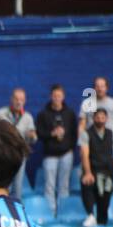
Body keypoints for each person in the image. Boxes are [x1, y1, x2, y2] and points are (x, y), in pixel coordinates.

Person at [80, 107, 113, 227]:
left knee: (104, 201)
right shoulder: (86, 133)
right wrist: (87, 172)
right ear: (93, 118)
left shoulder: (111, 133)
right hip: (93, 169)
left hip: (108, 171)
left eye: (103, 117)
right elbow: (84, 154)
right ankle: (90, 215)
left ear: (107, 119)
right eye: (97, 117)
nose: (100, 120)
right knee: (87, 185)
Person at [37, 84, 76, 217]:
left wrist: (69, 146)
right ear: (50, 97)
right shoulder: (43, 114)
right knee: (49, 185)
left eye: (59, 96)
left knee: (64, 185)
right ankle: (51, 213)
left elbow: (74, 133)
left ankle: (63, 212)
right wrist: (52, 134)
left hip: (66, 154)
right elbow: (39, 134)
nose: (56, 98)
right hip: (50, 155)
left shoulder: (69, 113)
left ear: (63, 97)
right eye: (54, 96)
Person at [0, 89, 37, 200]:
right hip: (3, 156)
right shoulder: (0, 114)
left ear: (25, 101)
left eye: (21, 99)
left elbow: (33, 139)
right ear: (11, 99)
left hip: (19, 157)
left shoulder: (28, 117)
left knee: (17, 188)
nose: (19, 102)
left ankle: (14, 213)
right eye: (16, 99)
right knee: (2, 186)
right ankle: (0, 212)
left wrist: (32, 136)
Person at [77, 76, 113, 151]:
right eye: (97, 86)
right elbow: (81, 125)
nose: (100, 89)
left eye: (102, 86)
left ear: (107, 88)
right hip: (91, 146)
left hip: (111, 145)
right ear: (93, 88)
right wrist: (82, 145)